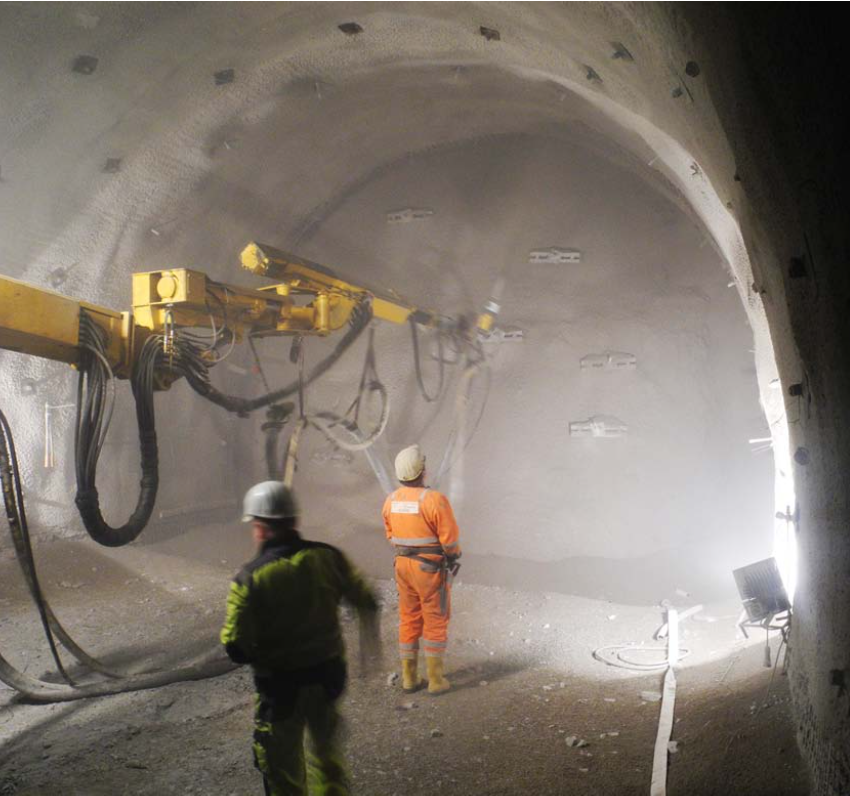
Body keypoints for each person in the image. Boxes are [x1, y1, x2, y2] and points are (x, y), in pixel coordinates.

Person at [221, 480, 380, 796]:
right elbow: (367, 601)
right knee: (327, 758)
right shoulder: (328, 557)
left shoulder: (250, 578)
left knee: (282, 768)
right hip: (328, 677)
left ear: (261, 527)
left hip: (281, 689)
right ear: (294, 520)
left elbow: (235, 645)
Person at [382, 444, 461, 695]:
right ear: (423, 471)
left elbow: (390, 534)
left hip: (402, 567)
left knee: (409, 618)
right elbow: (449, 540)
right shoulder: (434, 500)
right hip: (429, 568)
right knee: (435, 618)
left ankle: (409, 679)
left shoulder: (391, 500)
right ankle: (436, 681)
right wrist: (453, 556)